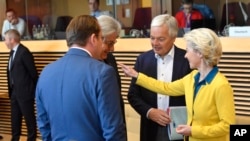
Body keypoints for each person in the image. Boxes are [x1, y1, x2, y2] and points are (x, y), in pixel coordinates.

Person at [119, 28, 236, 141]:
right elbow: (166, 88)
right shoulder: (192, 77)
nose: (185, 55)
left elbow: (227, 125)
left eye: (188, 50)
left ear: (199, 53)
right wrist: (137, 76)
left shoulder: (220, 85)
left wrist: (193, 131)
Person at [35, 15, 126, 141]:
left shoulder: (46, 72)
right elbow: (113, 130)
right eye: (101, 38)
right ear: (94, 39)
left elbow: (44, 125)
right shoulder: (102, 73)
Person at [127, 14, 191, 141]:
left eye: (161, 39)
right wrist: (150, 112)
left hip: (180, 129)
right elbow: (133, 95)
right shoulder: (143, 60)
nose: (155, 43)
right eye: (152, 38)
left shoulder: (187, 60)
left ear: (173, 38)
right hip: (150, 128)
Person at [5, 29, 38, 141]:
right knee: (15, 119)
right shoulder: (12, 52)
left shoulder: (24, 52)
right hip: (14, 92)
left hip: (25, 93)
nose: (5, 42)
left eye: (5, 39)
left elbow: (33, 73)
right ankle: (15, 139)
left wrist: (33, 91)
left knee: (29, 119)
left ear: (12, 39)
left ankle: (31, 139)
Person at [97, 15, 127, 135]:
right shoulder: (85, 66)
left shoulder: (110, 59)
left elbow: (117, 97)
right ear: (97, 38)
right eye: (109, 43)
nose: (112, 49)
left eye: (113, 43)